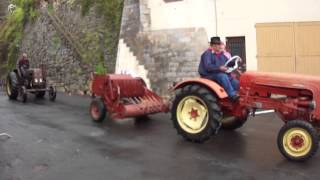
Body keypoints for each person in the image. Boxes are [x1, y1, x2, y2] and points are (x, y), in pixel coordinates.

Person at [198, 37, 239, 101]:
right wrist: (219, 68)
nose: (218, 46)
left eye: (219, 44)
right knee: (222, 76)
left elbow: (228, 63)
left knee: (234, 81)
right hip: (208, 76)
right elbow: (208, 67)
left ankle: (242, 94)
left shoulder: (222, 55)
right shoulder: (207, 54)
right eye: (216, 45)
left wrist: (236, 61)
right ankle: (232, 95)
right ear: (212, 46)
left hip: (219, 74)